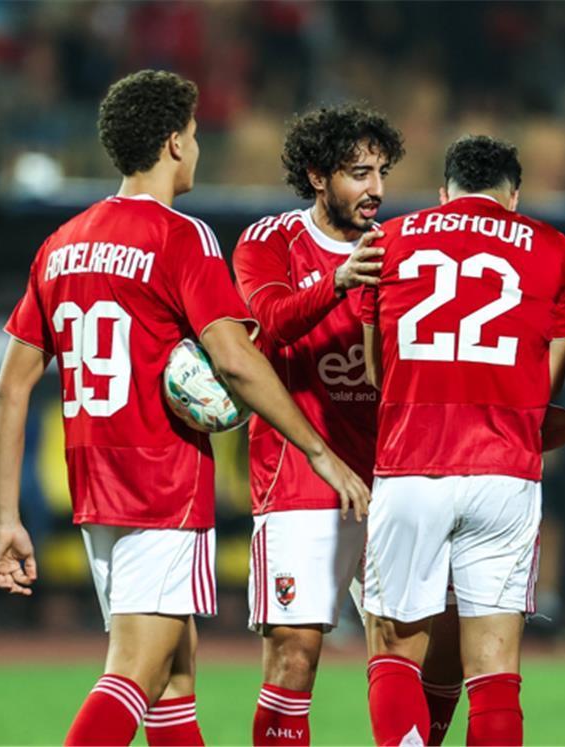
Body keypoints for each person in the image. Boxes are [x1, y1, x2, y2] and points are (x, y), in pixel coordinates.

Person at [0, 70, 369, 747]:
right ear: (172, 143)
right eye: (192, 135)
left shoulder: (62, 243)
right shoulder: (180, 236)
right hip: (160, 480)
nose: (196, 148)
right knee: (135, 671)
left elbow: (9, 389)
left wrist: (6, 517)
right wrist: (319, 451)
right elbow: (234, 359)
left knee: (173, 680)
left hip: (93, 482)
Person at [360, 135, 565, 746]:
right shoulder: (551, 246)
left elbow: (376, 371)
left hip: (412, 461)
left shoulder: (389, 239)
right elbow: (547, 381)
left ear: (443, 193)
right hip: (505, 469)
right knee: (495, 672)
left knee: (395, 649)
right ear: (513, 196)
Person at [231, 105, 405, 746]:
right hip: (299, 474)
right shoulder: (269, 240)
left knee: (404, 649)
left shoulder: (401, 247)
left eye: (381, 172)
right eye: (359, 173)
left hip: (390, 474)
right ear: (316, 176)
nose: (375, 189)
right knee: (295, 654)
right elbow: (268, 323)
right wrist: (337, 281)